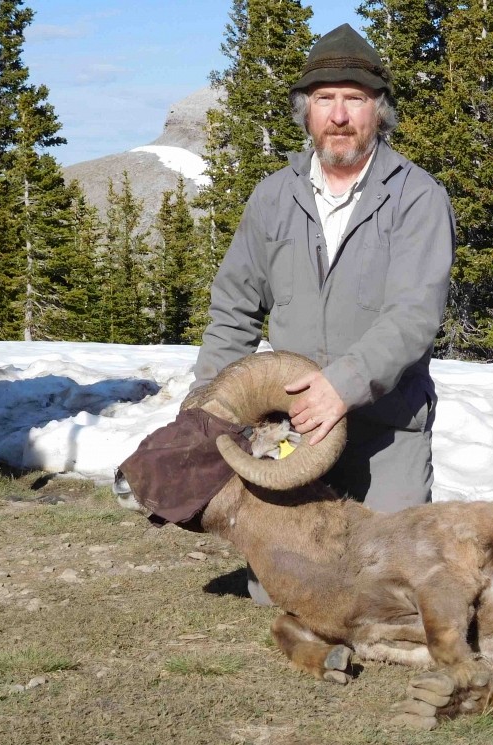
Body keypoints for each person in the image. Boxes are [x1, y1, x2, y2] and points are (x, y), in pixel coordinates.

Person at [190, 24, 455, 597]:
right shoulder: (272, 198)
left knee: (391, 587)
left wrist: (342, 386)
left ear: (378, 112)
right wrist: (210, 407)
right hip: (293, 433)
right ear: (305, 111)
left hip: (385, 429)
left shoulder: (418, 197)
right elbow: (234, 309)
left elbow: (414, 316)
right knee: (281, 590)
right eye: (325, 98)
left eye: (355, 99)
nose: (339, 115)